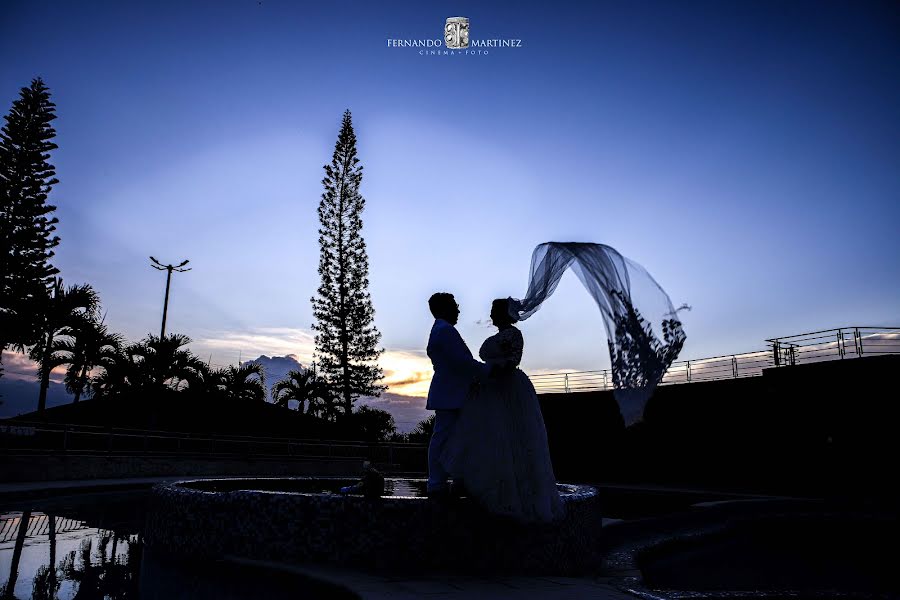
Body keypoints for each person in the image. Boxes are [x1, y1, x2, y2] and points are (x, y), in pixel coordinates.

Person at [440, 298, 565, 523]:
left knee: (512, 435)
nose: (491, 314)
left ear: (504, 313)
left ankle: (514, 494)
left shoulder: (513, 335)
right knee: (487, 436)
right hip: (490, 390)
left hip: (508, 390)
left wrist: (490, 372)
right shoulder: (499, 337)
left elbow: (511, 361)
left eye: (493, 310)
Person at [424, 292, 487, 496]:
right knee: (443, 437)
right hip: (450, 394)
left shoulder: (442, 329)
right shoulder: (445, 330)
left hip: (451, 393)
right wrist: (489, 371)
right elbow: (462, 362)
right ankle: (437, 482)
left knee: (452, 437)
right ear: (443, 308)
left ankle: (451, 479)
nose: (458, 309)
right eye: (454, 305)